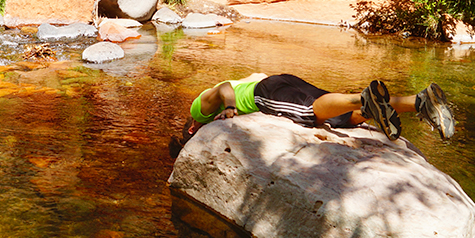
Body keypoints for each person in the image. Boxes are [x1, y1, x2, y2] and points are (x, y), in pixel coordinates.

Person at [169, 73, 455, 159]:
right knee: (347, 116)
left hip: (264, 93)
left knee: (311, 111)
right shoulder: (201, 121)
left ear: (191, 131)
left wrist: (230, 108)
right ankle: (420, 102)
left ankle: (365, 98)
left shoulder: (198, 113)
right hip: (280, 82)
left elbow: (223, 88)